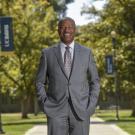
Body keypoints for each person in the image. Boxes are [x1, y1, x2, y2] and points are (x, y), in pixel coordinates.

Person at [36, 17, 100, 135]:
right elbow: (40, 82)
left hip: (81, 110)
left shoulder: (87, 53)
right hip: (55, 110)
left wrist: (90, 106)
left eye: (70, 27)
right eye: (63, 27)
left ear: (74, 30)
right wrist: (45, 103)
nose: (67, 30)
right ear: (58, 31)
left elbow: (95, 81)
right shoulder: (47, 53)